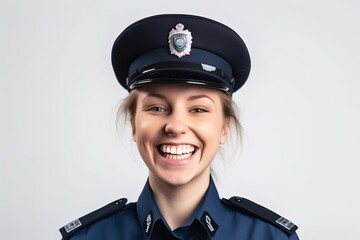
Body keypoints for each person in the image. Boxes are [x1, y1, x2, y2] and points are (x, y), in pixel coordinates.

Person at [59, 14, 300, 240]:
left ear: (224, 127)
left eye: (198, 109)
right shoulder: (88, 237)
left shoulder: (270, 237)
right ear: (134, 124)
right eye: (156, 108)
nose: (175, 126)